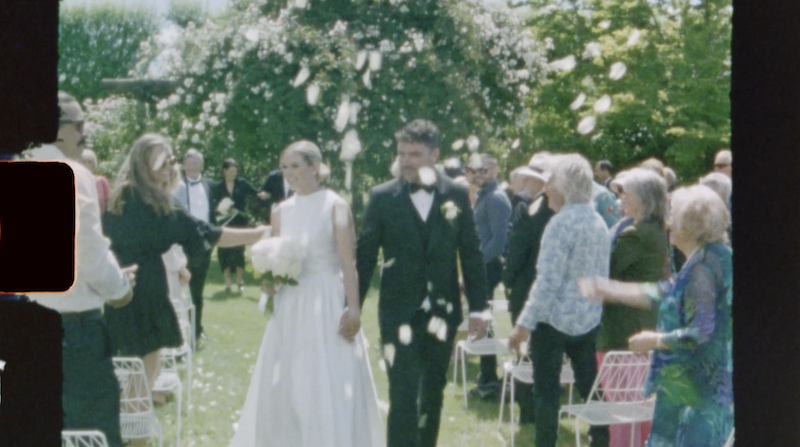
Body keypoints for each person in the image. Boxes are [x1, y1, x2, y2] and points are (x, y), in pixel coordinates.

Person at [102, 134, 269, 439]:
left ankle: (127, 432)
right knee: (142, 378)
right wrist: (258, 234)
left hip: (114, 288)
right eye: (161, 159)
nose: (169, 164)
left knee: (126, 375)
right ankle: (134, 438)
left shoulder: (119, 196)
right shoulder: (156, 202)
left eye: (170, 158)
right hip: (146, 291)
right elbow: (206, 233)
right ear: (142, 162)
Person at [230, 140, 383, 447]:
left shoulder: (335, 205)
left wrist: (353, 309)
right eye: (284, 167)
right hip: (290, 303)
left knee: (325, 377)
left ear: (315, 168)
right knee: (289, 379)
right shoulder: (280, 210)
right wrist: (270, 281)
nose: (288, 173)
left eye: (295, 166)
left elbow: (347, 262)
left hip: (325, 299)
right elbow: (277, 256)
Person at [357, 119, 489, 447]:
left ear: (435, 155)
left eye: (414, 154)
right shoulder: (382, 196)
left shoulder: (457, 193)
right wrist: (352, 308)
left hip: (443, 313)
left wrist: (479, 309)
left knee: (433, 394)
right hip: (397, 311)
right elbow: (364, 258)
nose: (406, 160)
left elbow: (471, 253)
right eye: (401, 153)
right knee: (402, 397)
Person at [579, 184, 733, 447]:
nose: (669, 222)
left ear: (691, 224)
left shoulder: (703, 269)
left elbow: (700, 332)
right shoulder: (714, 257)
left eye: (674, 215)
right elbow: (668, 290)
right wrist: (613, 290)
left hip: (695, 394)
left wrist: (655, 339)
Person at [27, 91, 138, 447]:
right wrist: (121, 288)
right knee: (90, 431)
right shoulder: (71, 173)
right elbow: (89, 254)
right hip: (72, 332)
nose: (84, 133)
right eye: (78, 125)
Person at [507, 153, 611, 447]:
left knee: (547, 395)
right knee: (591, 388)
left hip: (552, 323)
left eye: (550, 181)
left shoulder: (560, 224)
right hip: (587, 321)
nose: (545, 188)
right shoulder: (598, 223)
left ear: (564, 186)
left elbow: (547, 282)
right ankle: (601, 441)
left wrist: (522, 325)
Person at [596, 168, 670, 447]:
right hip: (644, 327)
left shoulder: (635, 234)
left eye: (625, 193)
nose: (620, 199)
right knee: (642, 413)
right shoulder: (656, 229)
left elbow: (606, 274)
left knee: (623, 416)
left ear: (643, 198)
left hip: (622, 334)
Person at [501, 151, 556, 424]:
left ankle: (527, 410)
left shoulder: (528, 210)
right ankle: (546, 406)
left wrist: (507, 281)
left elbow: (516, 253)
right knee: (546, 352)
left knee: (523, 350)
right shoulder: (561, 211)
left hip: (526, 290)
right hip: (554, 294)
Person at [467, 153, 512, 398]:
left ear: (495, 171)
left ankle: (489, 380)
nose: (477, 174)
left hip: (489, 267)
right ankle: (487, 375)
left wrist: (477, 265)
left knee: (483, 319)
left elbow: (499, 240)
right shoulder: (483, 196)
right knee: (482, 320)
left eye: (483, 170)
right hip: (482, 265)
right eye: (473, 170)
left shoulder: (495, 198)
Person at [174, 148, 214, 342]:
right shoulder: (177, 186)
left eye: (196, 162)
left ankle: (197, 329)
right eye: (188, 162)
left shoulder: (210, 186)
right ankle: (178, 330)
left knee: (198, 289)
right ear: (183, 165)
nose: (192, 166)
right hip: (183, 244)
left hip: (204, 244)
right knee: (179, 288)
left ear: (202, 165)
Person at [211, 158, 260, 293]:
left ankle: (240, 281)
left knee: (239, 251)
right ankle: (227, 282)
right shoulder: (217, 186)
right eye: (231, 171)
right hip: (224, 223)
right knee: (223, 252)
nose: (234, 174)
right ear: (224, 171)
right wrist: (220, 209)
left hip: (240, 223)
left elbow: (257, 193)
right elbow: (212, 204)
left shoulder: (242, 183)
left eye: (235, 171)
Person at [80, 147, 111, 214]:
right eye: (83, 161)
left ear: (94, 164)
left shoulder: (101, 181)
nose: (86, 164)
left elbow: (109, 203)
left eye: (90, 162)